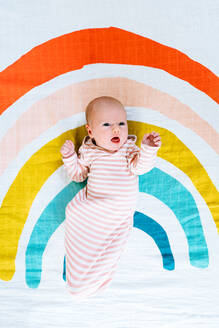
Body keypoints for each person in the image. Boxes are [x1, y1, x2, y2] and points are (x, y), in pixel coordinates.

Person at [60, 96, 161, 298]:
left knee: (110, 249)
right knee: (74, 212)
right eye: (106, 124)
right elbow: (78, 175)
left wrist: (149, 149)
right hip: (95, 210)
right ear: (90, 131)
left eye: (121, 124)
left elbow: (140, 167)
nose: (116, 129)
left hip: (118, 214)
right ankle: (82, 277)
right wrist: (70, 158)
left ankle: (96, 275)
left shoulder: (129, 149)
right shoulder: (89, 151)